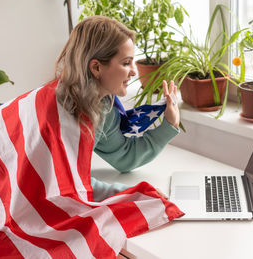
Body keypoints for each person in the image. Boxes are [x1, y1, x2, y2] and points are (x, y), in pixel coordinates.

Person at [55, 16, 180, 202]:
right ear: (96, 68)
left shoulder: (102, 106)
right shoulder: (63, 113)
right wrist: (132, 194)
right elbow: (68, 182)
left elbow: (125, 157)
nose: (134, 71)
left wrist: (169, 124)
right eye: (126, 63)